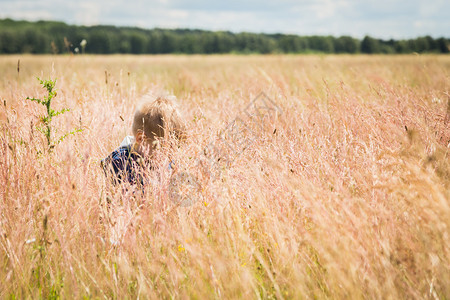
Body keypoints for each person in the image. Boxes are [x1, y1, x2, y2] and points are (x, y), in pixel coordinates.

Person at [101, 93, 185, 186]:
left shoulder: (165, 162)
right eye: (164, 149)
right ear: (141, 139)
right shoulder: (120, 163)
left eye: (173, 147)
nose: (170, 155)